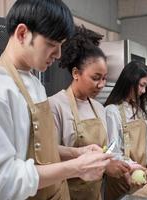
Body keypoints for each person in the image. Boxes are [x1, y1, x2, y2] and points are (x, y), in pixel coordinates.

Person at [0, 1, 112, 199]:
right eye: (52, 44)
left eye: (61, 45)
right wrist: (75, 168)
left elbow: (39, 151)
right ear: (22, 34)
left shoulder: (35, 85)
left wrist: (76, 153)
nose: (59, 54)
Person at [49, 25, 131, 200]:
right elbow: (50, 155)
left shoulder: (99, 108)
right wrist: (99, 164)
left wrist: (124, 165)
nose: (101, 85)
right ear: (76, 73)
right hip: (66, 194)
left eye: (104, 78)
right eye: (95, 78)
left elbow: (109, 148)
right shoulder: (56, 105)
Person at [104, 61, 147, 200]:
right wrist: (135, 168)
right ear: (129, 82)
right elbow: (112, 152)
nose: (144, 91)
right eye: (142, 85)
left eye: (146, 86)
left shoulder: (140, 111)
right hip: (121, 179)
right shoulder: (112, 112)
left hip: (141, 179)